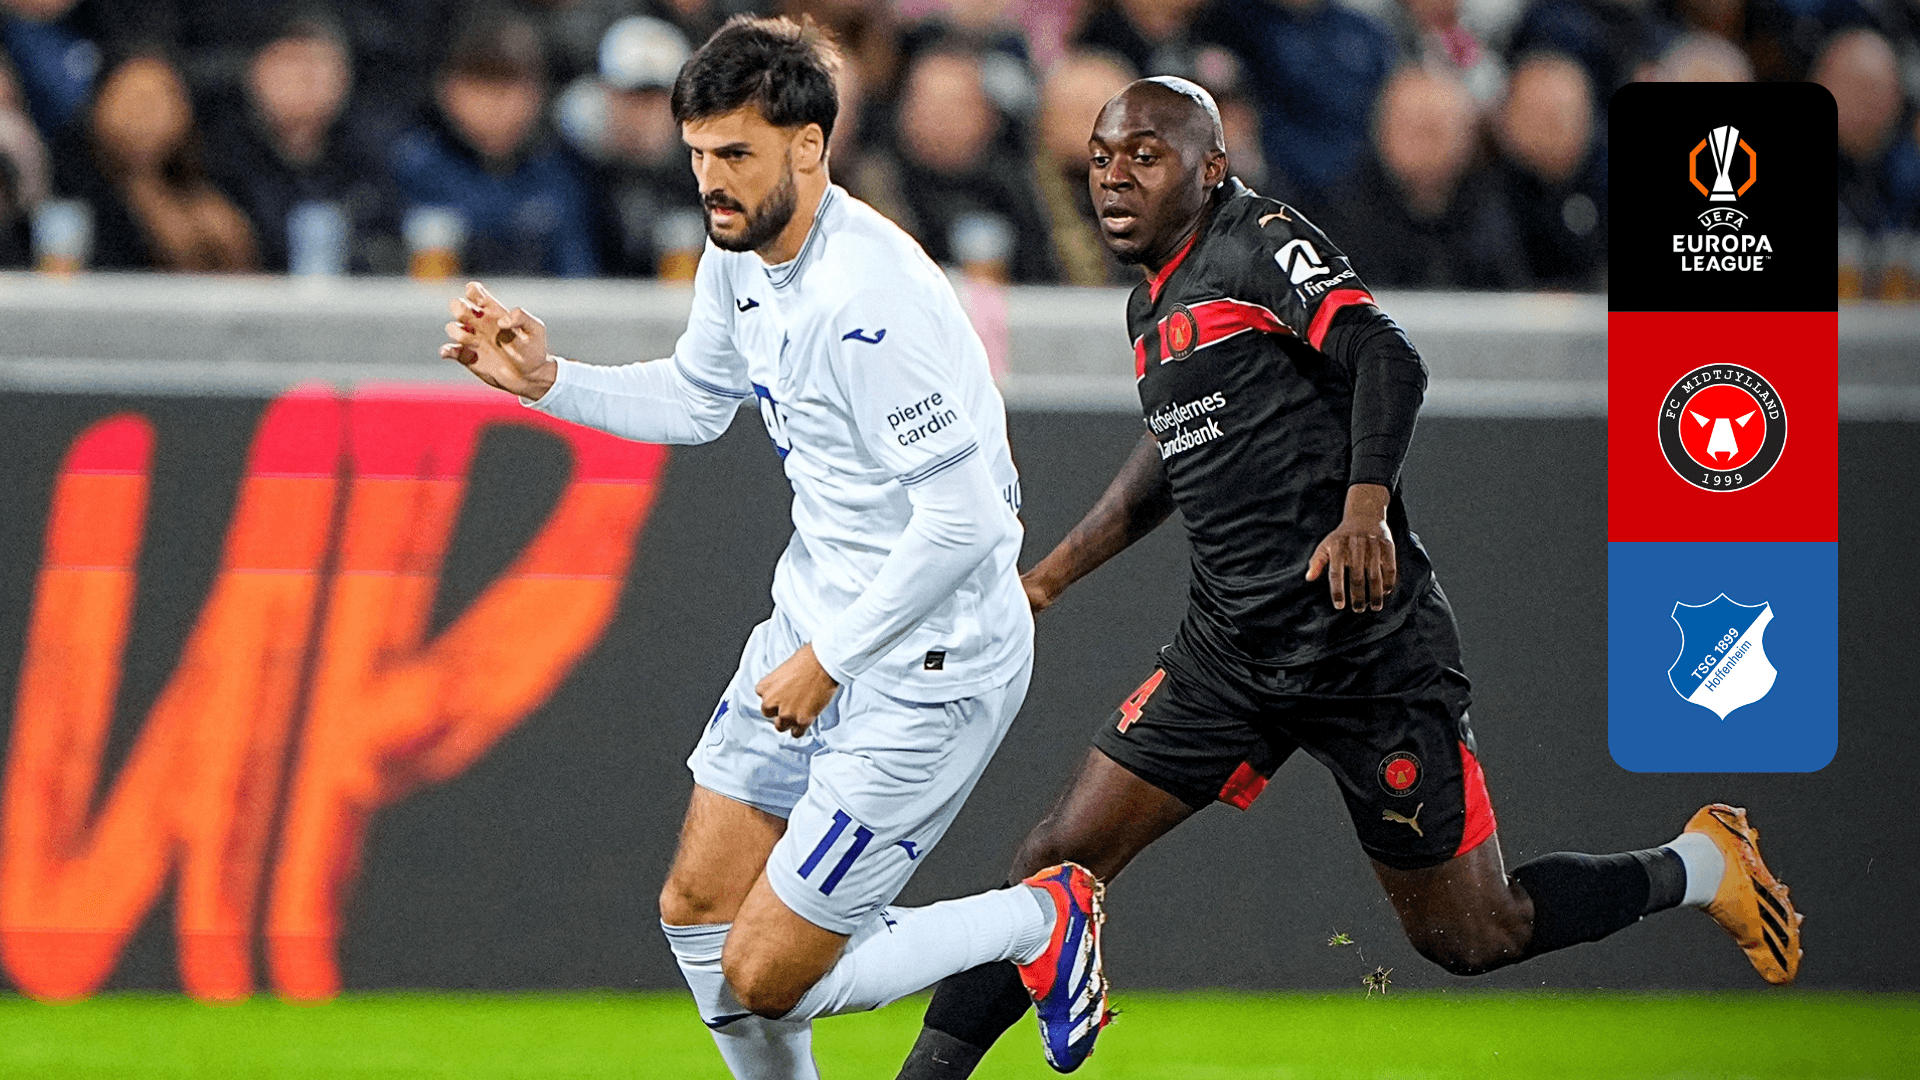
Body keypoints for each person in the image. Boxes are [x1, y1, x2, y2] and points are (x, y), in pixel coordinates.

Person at [893, 76, 1805, 1080]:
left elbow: (1387, 357)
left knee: (1473, 934)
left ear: (1212, 169)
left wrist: (1363, 511)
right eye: (1104, 157)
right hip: (1230, 653)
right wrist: (1046, 582)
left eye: (1145, 157)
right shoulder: (1151, 298)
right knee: (1052, 864)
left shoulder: (1257, 241)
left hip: (1366, 646)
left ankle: (1701, 864)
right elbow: (1171, 455)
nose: (1114, 177)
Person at [439, 17, 1108, 1079]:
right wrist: (551, 382)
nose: (711, 181)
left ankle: (1039, 919)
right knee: (698, 913)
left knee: (765, 974)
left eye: (736, 154)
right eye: (699, 153)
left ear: (809, 145)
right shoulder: (740, 252)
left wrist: (831, 659)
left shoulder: (869, 303)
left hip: (926, 666)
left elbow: (970, 521)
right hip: (814, 628)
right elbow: (699, 398)